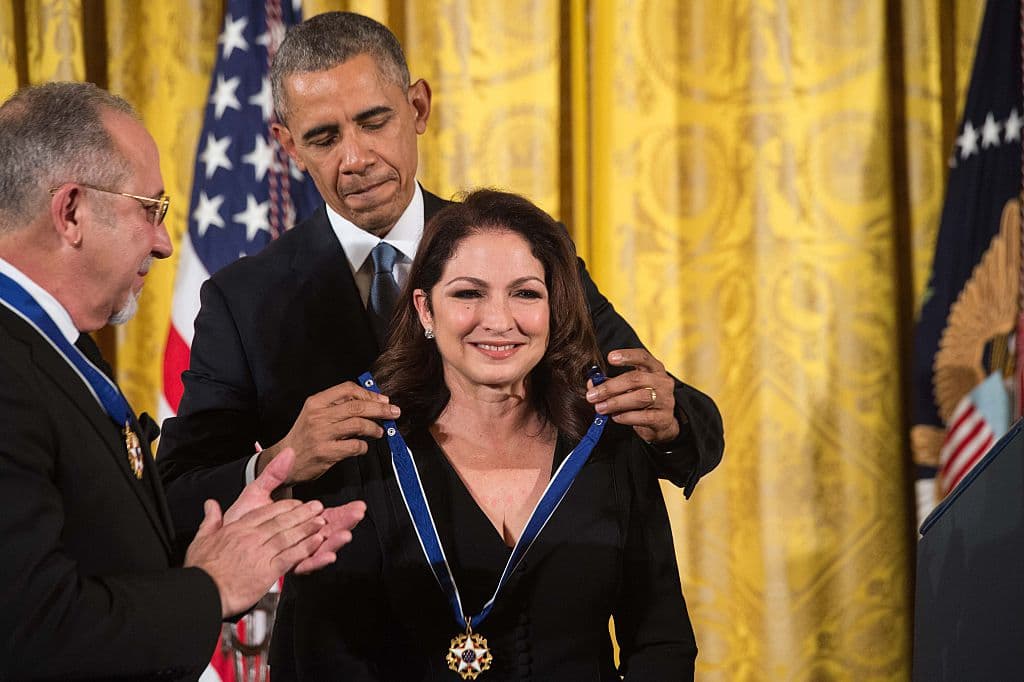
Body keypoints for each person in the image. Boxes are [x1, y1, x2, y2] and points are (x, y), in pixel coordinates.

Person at [158, 10, 723, 539]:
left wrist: (669, 420)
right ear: (288, 146)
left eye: (374, 122)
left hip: (518, 613)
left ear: (418, 108)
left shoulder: (525, 252)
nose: (355, 158)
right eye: (324, 138)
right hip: (348, 631)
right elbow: (177, 496)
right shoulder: (244, 300)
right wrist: (277, 460)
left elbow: (684, 424)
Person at [0, 81, 366, 681]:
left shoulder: (50, 349)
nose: (165, 243)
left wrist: (202, 558)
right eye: (150, 209)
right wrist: (208, 588)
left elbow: (90, 558)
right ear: (71, 212)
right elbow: (31, 631)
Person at [273, 188, 697, 680]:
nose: (499, 321)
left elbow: (661, 642)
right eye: (469, 293)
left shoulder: (610, 440)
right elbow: (317, 657)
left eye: (525, 293)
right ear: (425, 310)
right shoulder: (358, 448)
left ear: (554, 309)